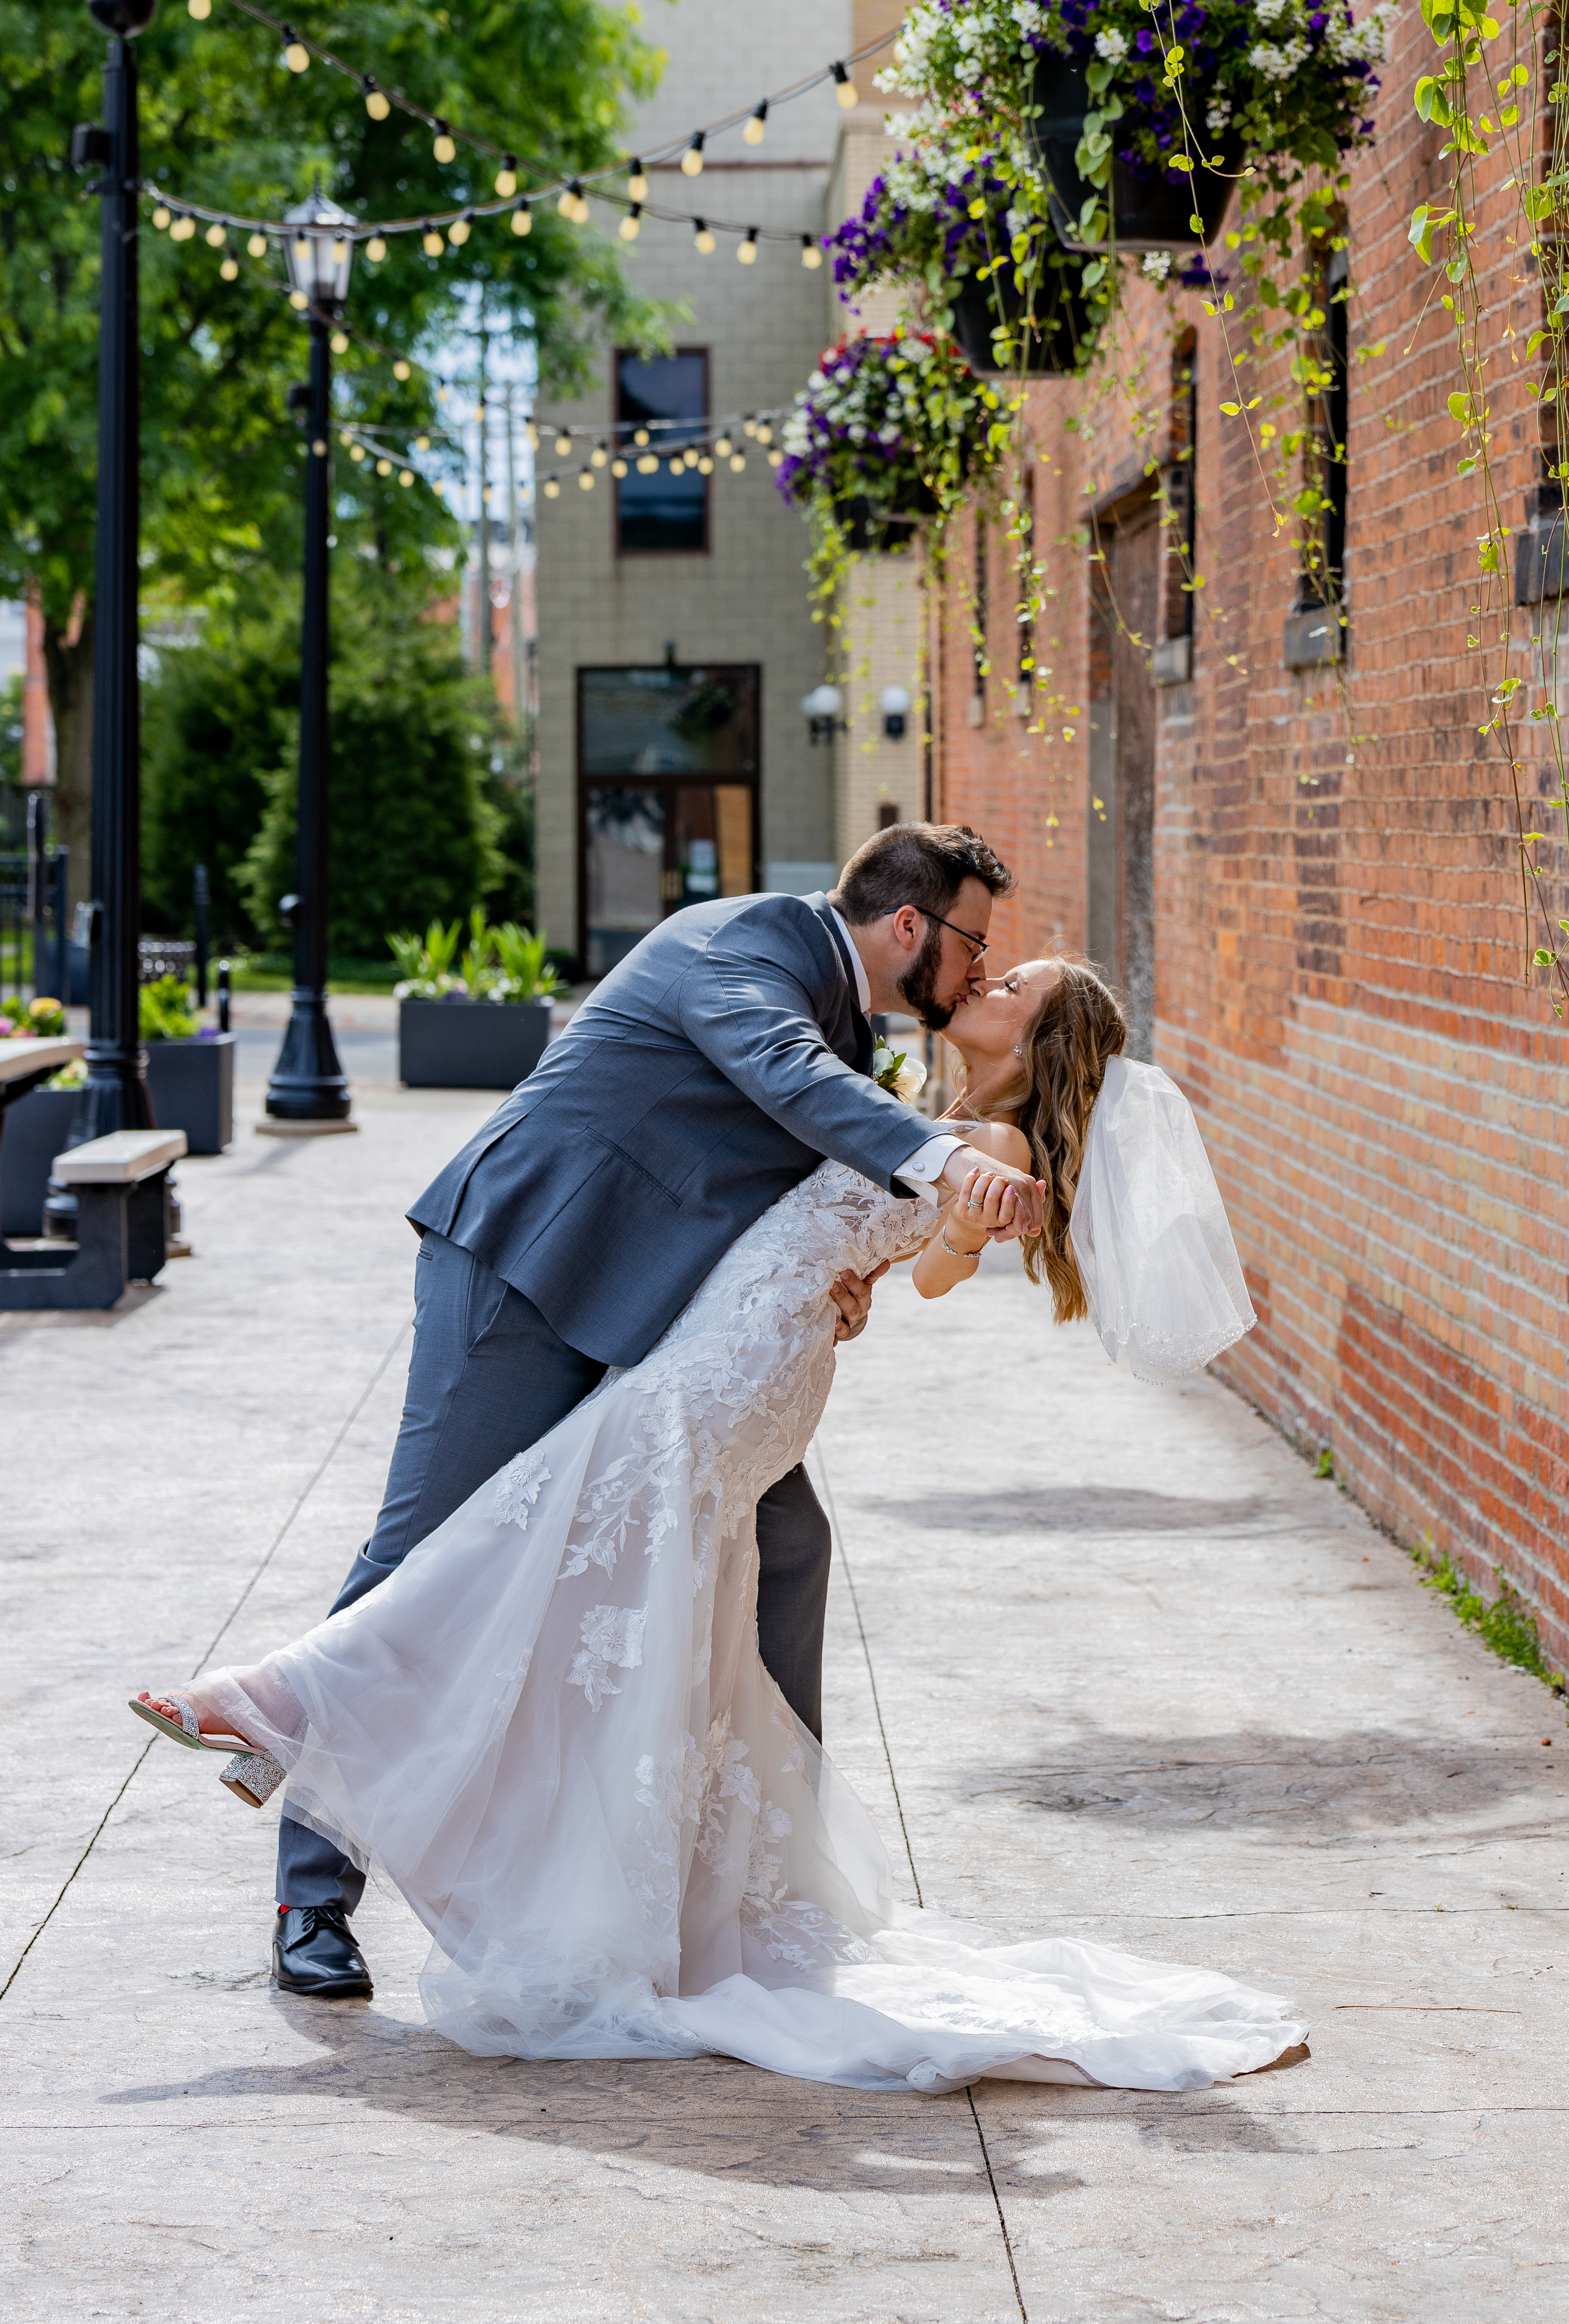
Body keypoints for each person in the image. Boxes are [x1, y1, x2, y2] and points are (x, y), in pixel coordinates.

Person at [132, 953, 1294, 2093]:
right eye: (987, 970)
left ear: (1038, 1046)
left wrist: (948, 1233)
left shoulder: (994, 1144)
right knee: (585, 1587)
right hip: (732, 1352)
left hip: (730, 1380)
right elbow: (873, 1229)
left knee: (517, 1546)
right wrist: (868, 1274)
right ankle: (364, 1757)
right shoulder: (921, 1101)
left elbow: (938, 1264)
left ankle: (281, 1703)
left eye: (1010, 991)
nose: (984, 985)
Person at [250, 823, 1046, 1998]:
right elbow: (783, 1074)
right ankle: (308, 1882)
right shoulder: (749, 946)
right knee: (425, 1552)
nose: (981, 972)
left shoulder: (847, 1018)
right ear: (911, 926)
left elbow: (791, 1168)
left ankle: (767, 1880)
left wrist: (850, 1274)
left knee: (789, 1547)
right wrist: (940, 1163)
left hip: (665, 1336)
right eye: (975, 943)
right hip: (531, 1268)